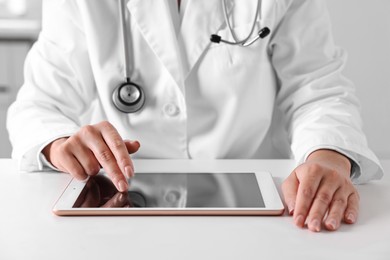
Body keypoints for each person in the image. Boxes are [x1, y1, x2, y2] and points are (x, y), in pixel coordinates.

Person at [6, 0, 383, 232]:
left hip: (258, 211)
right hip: (116, 207)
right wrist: (58, 143)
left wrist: (329, 156)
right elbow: (40, 106)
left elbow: (316, 87)